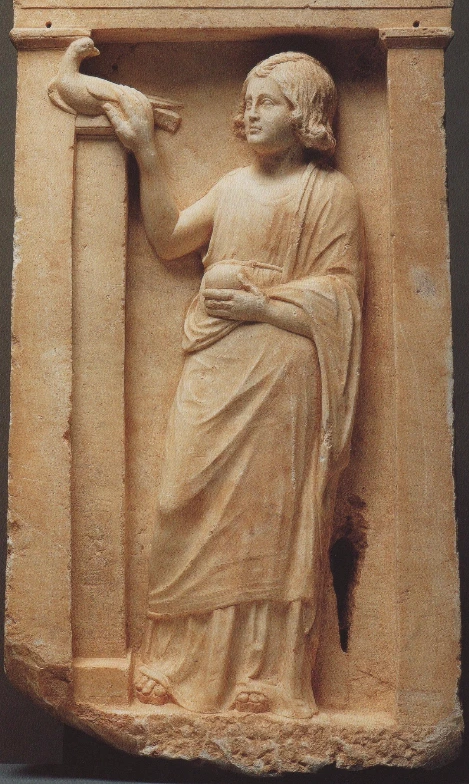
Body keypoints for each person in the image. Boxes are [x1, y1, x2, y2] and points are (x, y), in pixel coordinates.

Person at [104, 52, 364, 719]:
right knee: (182, 501)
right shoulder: (230, 187)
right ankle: (175, 659)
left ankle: (265, 673)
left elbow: (341, 299)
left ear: (305, 115)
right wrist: (144, 151)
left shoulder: (329, 194)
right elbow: (169, 240)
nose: (249, 112)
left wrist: (260, 305)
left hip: (282, 370)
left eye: (266, 101)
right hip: (214, 363)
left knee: (265, 520)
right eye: (246, 101)